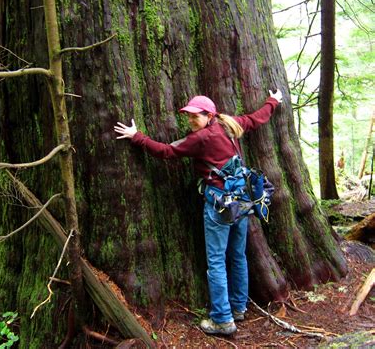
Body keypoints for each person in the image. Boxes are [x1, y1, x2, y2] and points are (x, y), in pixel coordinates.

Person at [114, 89, 283, 335]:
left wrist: (136, 136)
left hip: (219, 206)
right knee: (237, 256)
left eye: (196, 116)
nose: (191, 121)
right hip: (242, 202)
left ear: (209, 115)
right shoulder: (229, 125)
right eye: (189, 116)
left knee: (217, 261)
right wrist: (274, 101)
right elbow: (256, 118)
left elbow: (166, 151)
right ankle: (238, 308)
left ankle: (223, 319)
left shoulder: (201, 138)